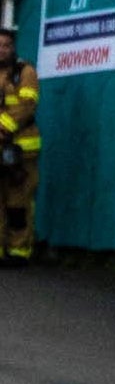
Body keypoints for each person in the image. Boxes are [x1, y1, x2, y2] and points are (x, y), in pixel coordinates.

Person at [0, 42, 36, 261]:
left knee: (17, 203)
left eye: (6, 46)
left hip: (20, 149)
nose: (2, 50)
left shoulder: (25, 72)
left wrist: (3, 128)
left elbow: (26, 104)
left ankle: (18, 251)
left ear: (13, 48)